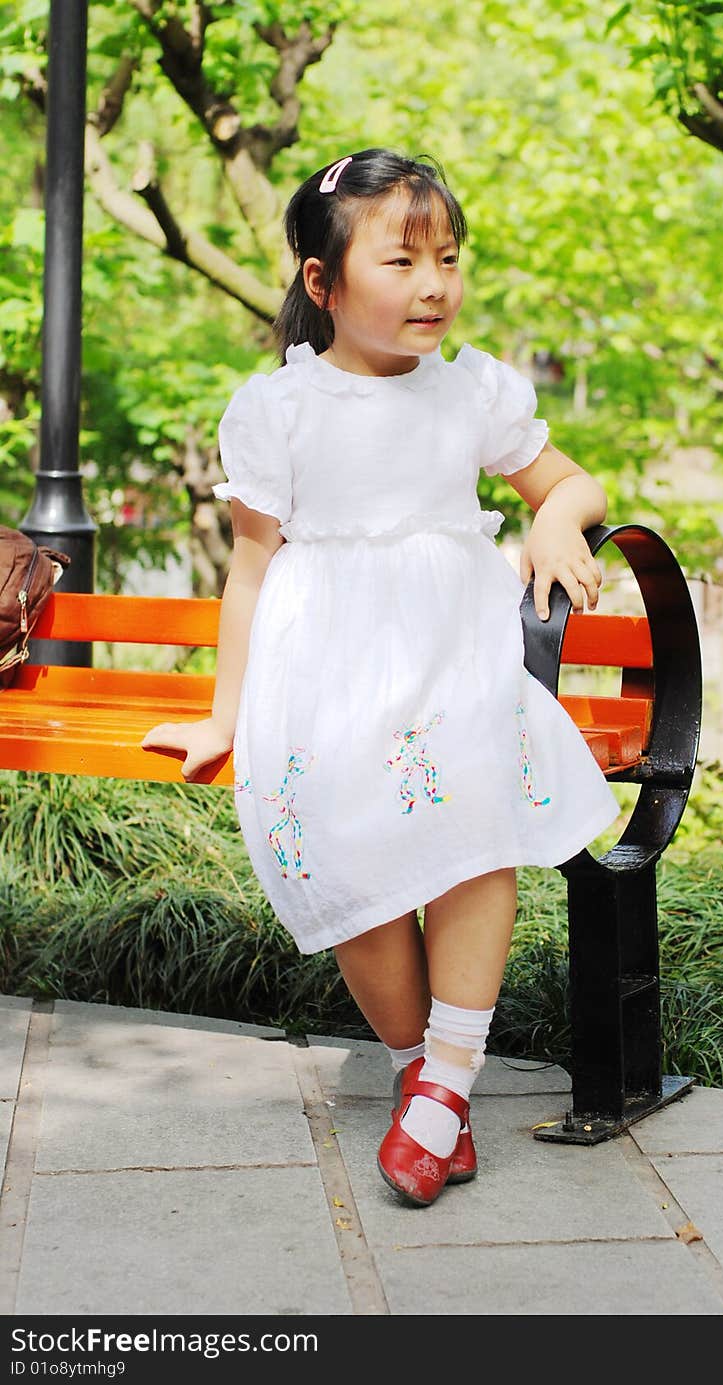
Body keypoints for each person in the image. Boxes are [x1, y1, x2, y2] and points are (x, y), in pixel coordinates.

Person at [142, 147, 619, 1208]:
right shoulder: (280, 407)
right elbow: (255, 563)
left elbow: (573, 481)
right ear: (322, 281)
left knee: (470, 833)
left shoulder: (473, 393)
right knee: (343, 855)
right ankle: (421, 1066)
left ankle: (447, 1076)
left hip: (452, 654)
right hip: (324, 671)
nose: (434, 285)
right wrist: (225, 713)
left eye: (446, 258)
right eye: (401, 261)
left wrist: (551, 516)